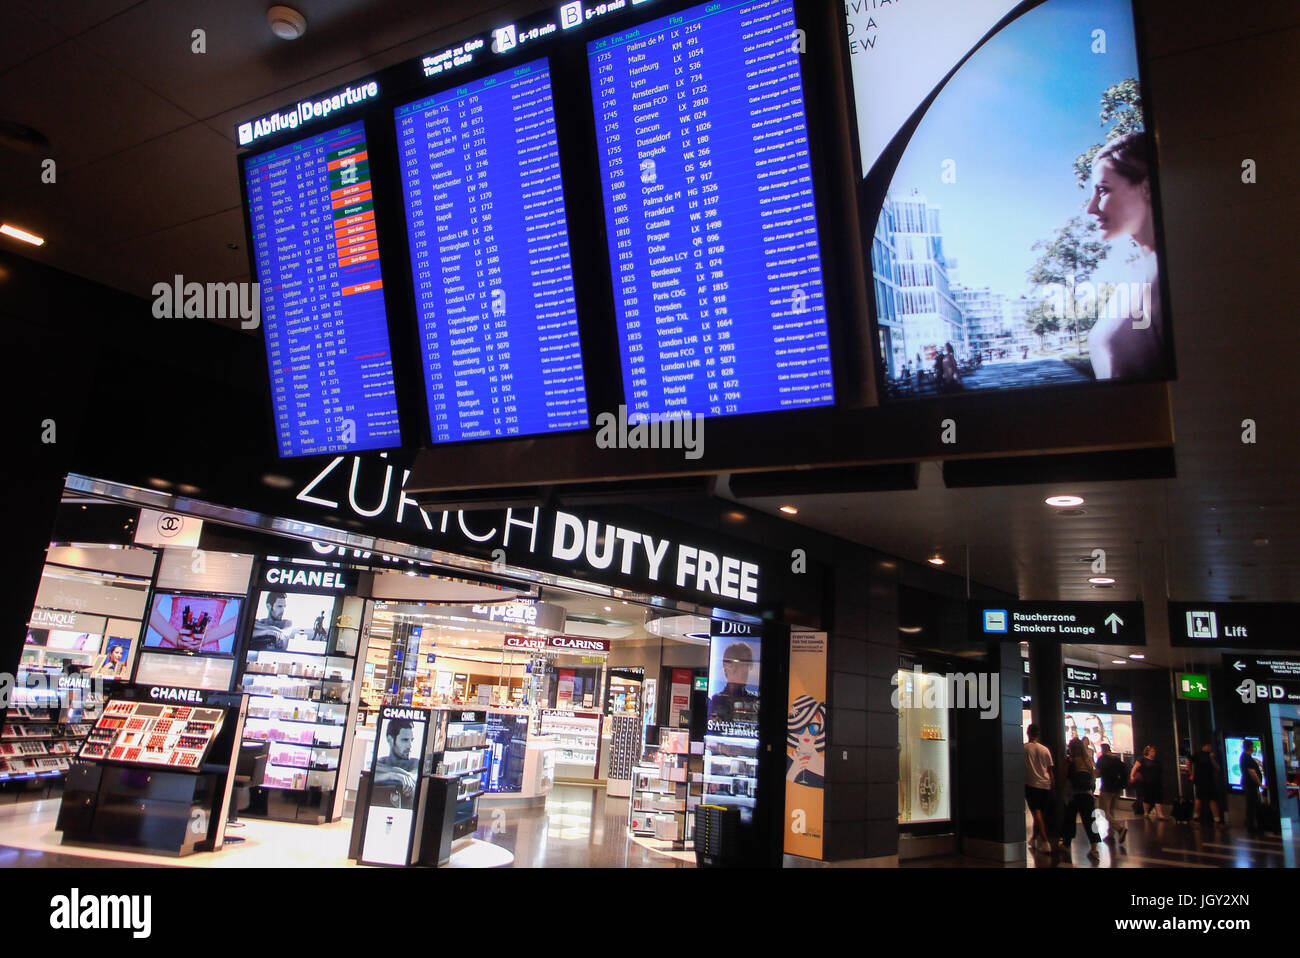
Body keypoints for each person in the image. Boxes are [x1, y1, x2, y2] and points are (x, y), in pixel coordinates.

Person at [1084, 132, 1163, 381]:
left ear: (1147, 188)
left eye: (1103, 191)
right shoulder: (1134, 278)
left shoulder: (1173, 275)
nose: (1090, 207)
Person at [1059, 737, 1102, 861]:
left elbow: (1062, 778)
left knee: (1069, 820)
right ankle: (1094, 849)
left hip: (1074, 795)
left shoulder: (1069, 761)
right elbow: (1093, 779)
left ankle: (1066, 845)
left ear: (1071, 748)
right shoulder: (1087, 761)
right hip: (1088, 796)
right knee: (1090, 822)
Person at [708, 642, 759, 726]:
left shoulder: (754, 701)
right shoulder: (716, 700)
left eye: (748, 666)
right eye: (742, 665)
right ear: (730, 667)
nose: (746, 671)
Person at [374, 717, 420, 807]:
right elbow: (370, 777)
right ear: (390, 740)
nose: (410, 746)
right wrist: (393, 775)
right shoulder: (380, 762)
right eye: (405, 740)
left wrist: (393, 773)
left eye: (412, 740)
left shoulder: (415, 763)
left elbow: (412, 777)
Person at [1024, 724, 1055, 853]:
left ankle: (1045, 840)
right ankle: (1034, 838)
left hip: (1032, 784)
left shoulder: (1024, 748)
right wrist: (1052, 785)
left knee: (1036, 812)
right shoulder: (1045, 750)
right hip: (1045, 785)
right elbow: (1050, 769)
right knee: (1040, 812)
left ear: (1028, 733)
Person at [785, 695, 827, 787]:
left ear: (820, 730)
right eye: (801, 728)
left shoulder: (824, 763)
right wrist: (793, 770)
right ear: (795, 731)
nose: (807, 733)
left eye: (813, 728)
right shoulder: (788, 759)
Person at [1095, 742, 1127, 845]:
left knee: (1103, 811)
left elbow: (1098, 774)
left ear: (1102, 749)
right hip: (1117, 789)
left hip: (1106, 788)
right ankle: (1111, 833)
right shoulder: (1116, 759)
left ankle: (1119, 828)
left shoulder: (1102, 759)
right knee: (1111, 811)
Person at [1190, 742, 1223, 826]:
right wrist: (1191, 774)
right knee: (1199, 798)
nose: (1209, 748)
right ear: (1204, 746)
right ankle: (1195, 818)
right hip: (1200, 780)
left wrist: (1212, 759)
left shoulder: (1212, 755)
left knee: (1212, 799)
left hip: (1209, 780)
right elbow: (1188, 761)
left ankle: (1217, 820)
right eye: (1208, 746)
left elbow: (1218, 768)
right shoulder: (1198, 755)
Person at [1132, 744, 1167, 820]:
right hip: (1147, 782)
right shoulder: (1142, 759)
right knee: (1147, 797)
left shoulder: (1156, 761)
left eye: (1154, 751)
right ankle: (1146, 813)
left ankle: (1160, 814)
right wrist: (1132, 776)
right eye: (1152, 751)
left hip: (1156, 781)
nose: (1154, 753)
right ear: (1148, 752)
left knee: (1158, 798)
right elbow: (1135, 768)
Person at [1240, 739, 1263, 833]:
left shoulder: (1245, 756)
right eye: (1253, 746)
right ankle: (1252, 826)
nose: (1254, 748)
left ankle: (1251, 825)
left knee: (1251, 805)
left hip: (1247, 784)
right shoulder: (1247, 758)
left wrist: (1257, 762)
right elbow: (1252, 772)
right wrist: (1260, 784)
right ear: (1250, 747)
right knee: (1252, 805)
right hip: (1250, 785)